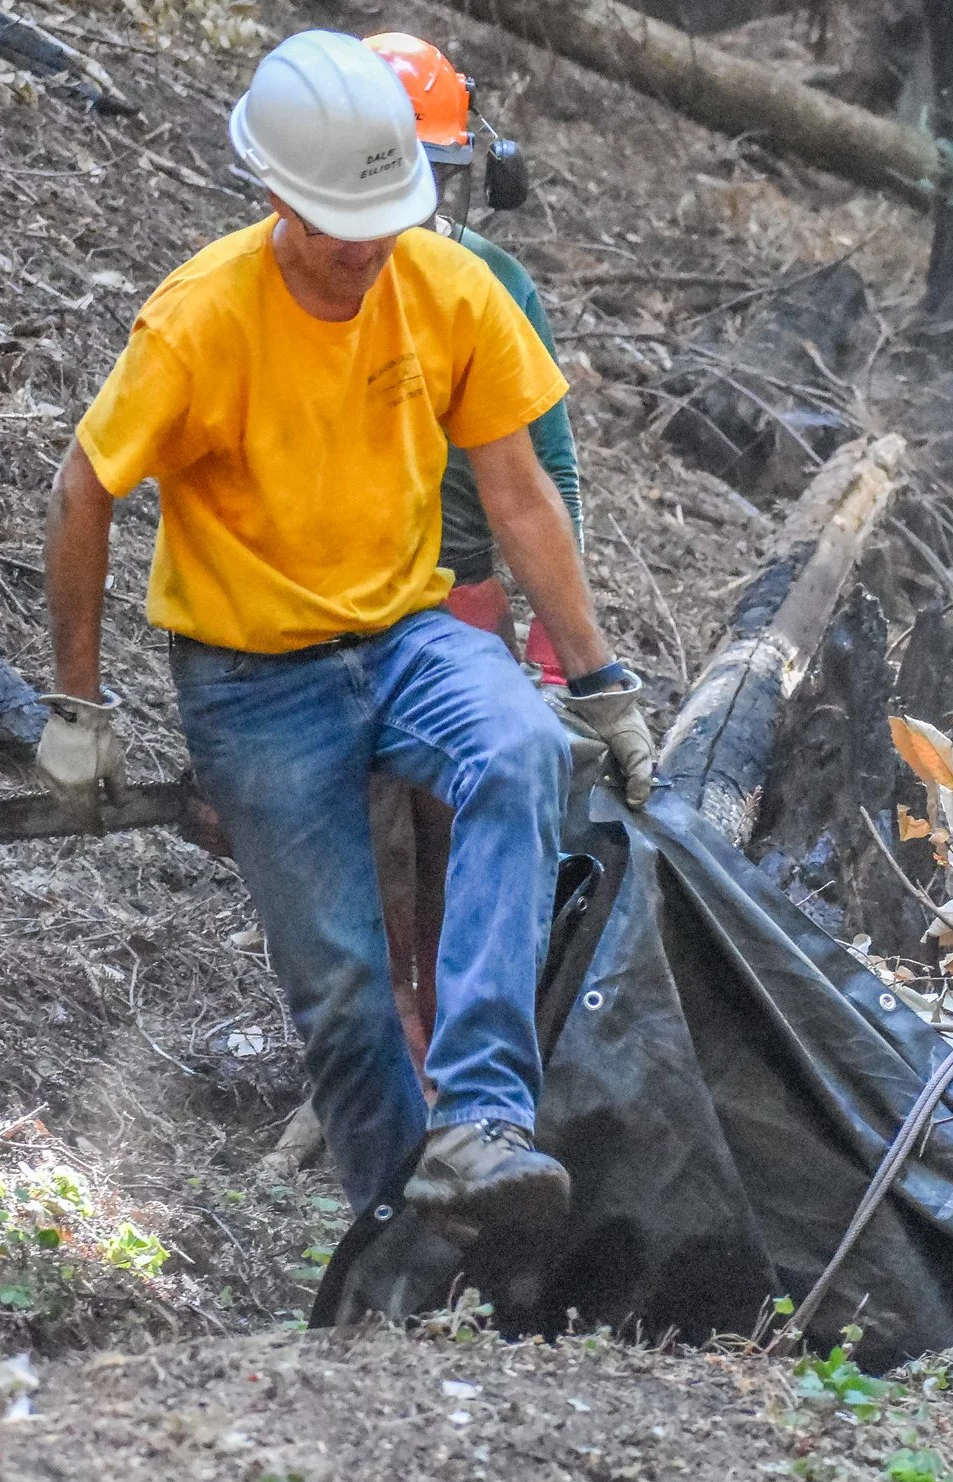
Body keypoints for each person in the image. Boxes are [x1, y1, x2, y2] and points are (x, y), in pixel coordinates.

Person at [32, 31, 656, 1236]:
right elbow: (83, 488)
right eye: (338, 225)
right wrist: (76, 701)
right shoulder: (204, 315)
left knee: (519, 750)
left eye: (383, 220)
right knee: (343, 990)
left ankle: (483, 1117)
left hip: (408, 630)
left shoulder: (448, 288)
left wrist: (600, 679)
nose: (366, 250)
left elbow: (522, 493)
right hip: (253, 675)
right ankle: (398, 1233)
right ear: (278, 196)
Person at [366, 31, 581, 1069]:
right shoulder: (296, 286)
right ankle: (382, 1041)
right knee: (371, 851)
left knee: (463, 835)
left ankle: (461, 1054)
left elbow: (547, 476)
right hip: (335, 609)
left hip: (466, 600)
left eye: (436, 173)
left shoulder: (492, 285)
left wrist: (555, 647)